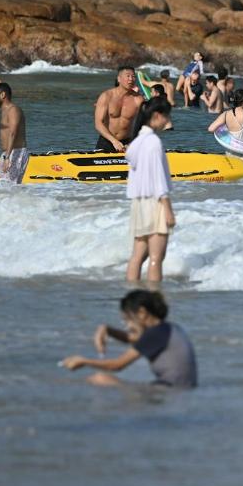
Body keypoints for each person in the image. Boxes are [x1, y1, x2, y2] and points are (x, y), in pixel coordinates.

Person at [62, 290, 197, 388]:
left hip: (170, 391)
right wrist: (107, 330)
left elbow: (117, 365)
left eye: (128, 319)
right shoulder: (167, 328)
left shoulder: (155, 334)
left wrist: (84, 361)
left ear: (142, 313)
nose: (127, 325)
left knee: (100, 378)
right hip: (179, 389)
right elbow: (135, 339)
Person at [125, 97, 175, 282]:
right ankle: (154, 296)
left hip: (138, 203)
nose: (168, 121)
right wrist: (168, 210)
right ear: (156, 116)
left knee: (137, 256)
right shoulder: (153, 141)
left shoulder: (136, 141)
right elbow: (158, 180)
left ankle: (132, 293)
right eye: (167, 116)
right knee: (156, 258)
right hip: (155, 203)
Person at [94, 67, 144, 152]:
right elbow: (98, 123)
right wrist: (114, 141)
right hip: (107, 141)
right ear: (119, 79)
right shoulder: (106, 96)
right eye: (128, 76)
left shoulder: (138, 99)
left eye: (133, 76)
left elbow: (144, 124)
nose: (131, 79)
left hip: (128, 143)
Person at [0, 82, 28, 184]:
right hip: (8, 153)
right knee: (0, 186)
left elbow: (13, 132)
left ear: (3, 95)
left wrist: (7, 157)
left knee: (7, 189)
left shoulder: (13, 110)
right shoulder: (4, 111)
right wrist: (5, 155)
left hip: (16, 152)